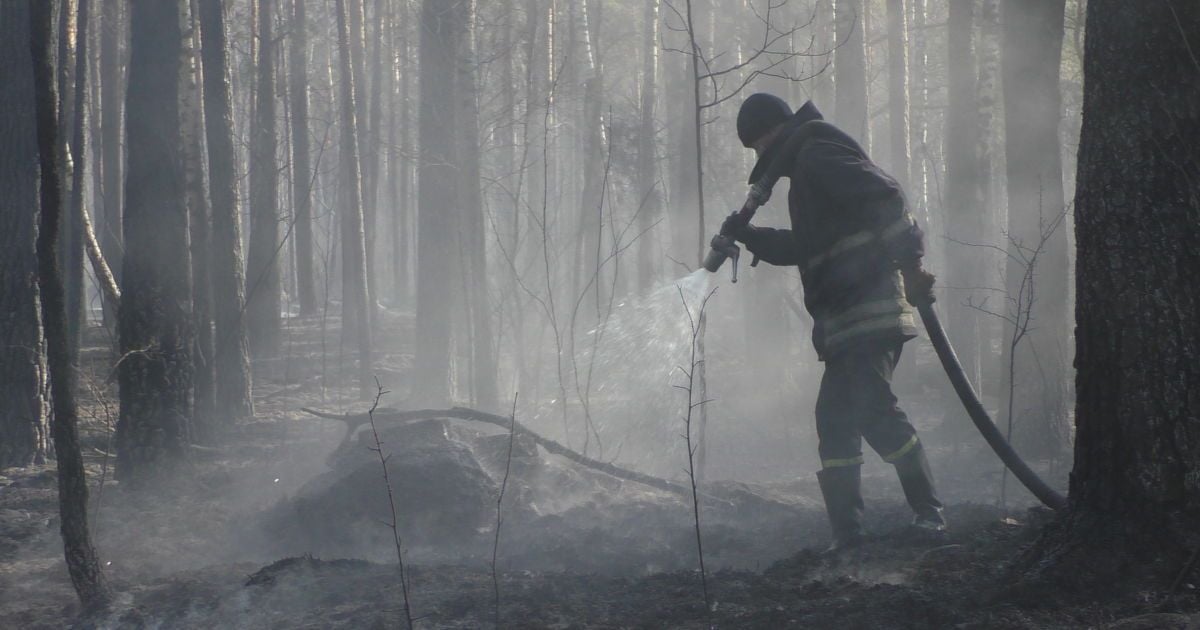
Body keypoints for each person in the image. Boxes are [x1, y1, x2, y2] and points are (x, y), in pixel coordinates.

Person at [725, 93, 945, 552]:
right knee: (835, 419)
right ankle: (849, 535)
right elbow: (809, 247)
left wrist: (911, 263)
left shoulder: (818, 154)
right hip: (845, 317)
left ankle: (930, 515)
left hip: (872, 307)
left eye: (757, 145)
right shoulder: (807, 171)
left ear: (772, 131)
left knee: (871, 408)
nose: (759, 158)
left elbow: (885, 198)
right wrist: (749, 236)